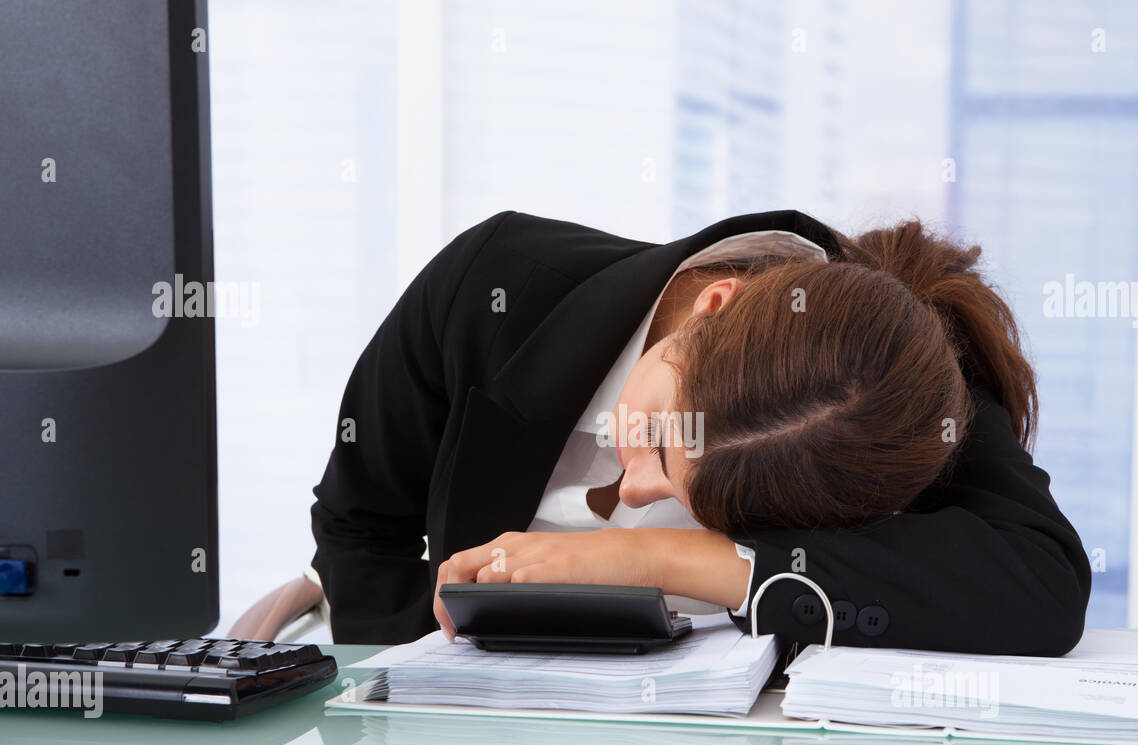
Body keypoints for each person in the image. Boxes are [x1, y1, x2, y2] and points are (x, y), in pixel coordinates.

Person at [310, 209, 1091, 659]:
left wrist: (646, 555)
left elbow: (1042, 586)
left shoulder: (904, 392)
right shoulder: (493, 289)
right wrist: (407, 707)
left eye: (700, 502)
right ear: (714, 304)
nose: (640, 486)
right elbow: (361, 524)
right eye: (657, 433)